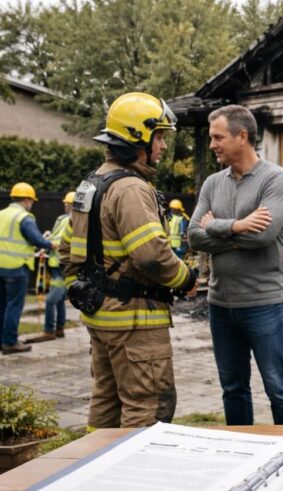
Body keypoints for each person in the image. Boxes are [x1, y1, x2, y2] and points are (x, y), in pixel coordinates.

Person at [58, 92, 197, 429]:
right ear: (138, 138)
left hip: (102, 319)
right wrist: (186, 280)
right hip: (135, 322)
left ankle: (93, 473)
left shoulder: (90, 185)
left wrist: (87, 294)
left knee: (105, 405)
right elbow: (150, 255)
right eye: (160, 136)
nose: (163, 146)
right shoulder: (131, 188)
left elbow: (65, 249)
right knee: (147, 407)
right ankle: (133, 477)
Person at [188, 104, 283, 426]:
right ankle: (242, 449)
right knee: (233, 389)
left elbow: (262, 237)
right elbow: (194, 237)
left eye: (217, 137)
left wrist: (217, 227)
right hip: (220, 305)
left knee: (279, 388)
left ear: (242, 136)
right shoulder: (213, 183)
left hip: (264, 304)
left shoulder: (275, 179)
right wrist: (237, 227)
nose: (212, 145)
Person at [0, 182, 56, 354]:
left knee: (2, 305)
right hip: (17, 267)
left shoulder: (2, 214)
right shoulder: (24, 217)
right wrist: (51, 244)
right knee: (14, 306)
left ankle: (2, 340)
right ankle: (9, 342)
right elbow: (37, 240)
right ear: (26, 200)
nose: (31, 204)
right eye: (31, 201)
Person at [28, 191, 74, 343]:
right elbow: (55, 236)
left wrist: (48, 245)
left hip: (62, 265)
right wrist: (46, 247)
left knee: (51, 300)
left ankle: (49, 330)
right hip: (56, 264)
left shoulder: (74, 221)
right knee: (59, 299)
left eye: (67, 203)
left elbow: (62, 241)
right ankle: (59, 329)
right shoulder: (62, 218)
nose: (65, 205)